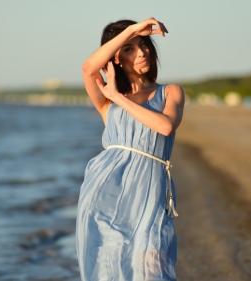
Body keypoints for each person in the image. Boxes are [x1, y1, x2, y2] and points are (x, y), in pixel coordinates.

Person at [76, 17, 185, 281]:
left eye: (144, 44)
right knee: (108, 267)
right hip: (104, 195)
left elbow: (166, 126)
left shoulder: (170, 92)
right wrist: (132, 29)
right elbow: (89, 68)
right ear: (116, 58)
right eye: (129, 48)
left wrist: (119, 99)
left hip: (150, 193)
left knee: (152, 268)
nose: (142, 52)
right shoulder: (105, 101)